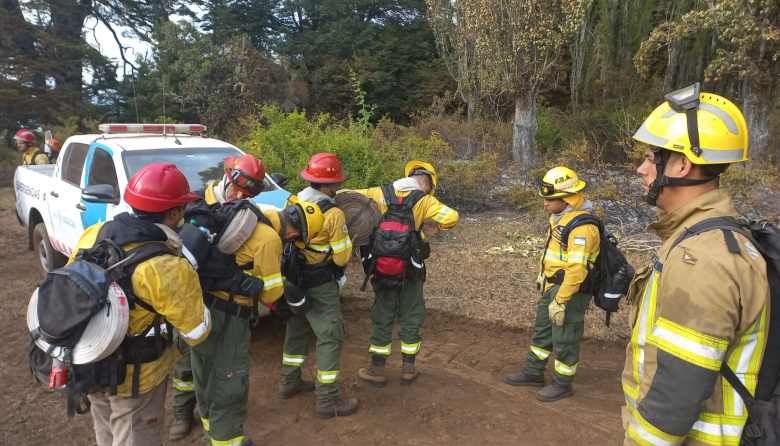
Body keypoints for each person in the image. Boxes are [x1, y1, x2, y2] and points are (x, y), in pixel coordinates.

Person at [622, 84, 770, 445]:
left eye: (648, 158)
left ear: (683, 164)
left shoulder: (701, 259)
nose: (641, 170)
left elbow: (676, 393)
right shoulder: (707, 238)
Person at [70, 162, 212, 446]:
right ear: (174, 212)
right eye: (181, 208)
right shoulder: (167, 266)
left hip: (90, 358)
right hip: (135, 376)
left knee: (107, 431)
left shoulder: (96, 233)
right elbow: (197, 332)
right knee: (134, 435)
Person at [190, 154, 325, 446]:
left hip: (200, 308)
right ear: (295, 231)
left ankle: (210, 432)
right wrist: (287, 290)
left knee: (204, 371)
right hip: (229, 316)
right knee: (230, 376)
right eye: (294, 239)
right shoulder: (269, 238)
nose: (291, 243)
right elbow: (271, 294)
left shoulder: (242, 213)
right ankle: (228, 440)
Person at [169, 153, 267, 441]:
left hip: (218, 303)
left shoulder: (246, 212)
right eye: (237, 189)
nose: (239, 196)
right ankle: (182, 411)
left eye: (247, 194)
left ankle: (214, 428)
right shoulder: (192, 205)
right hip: (187, 298)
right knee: (187, 361)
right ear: (226, 177)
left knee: (209, 365)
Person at [354, 161, 459, 387]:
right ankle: (408, 370)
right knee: (411, 316)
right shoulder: (425, 200)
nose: (428, 190)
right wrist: (433, 225)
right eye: (429, 186)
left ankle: (377, 370)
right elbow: (452, 217)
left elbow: (347, 199)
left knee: (382, 318)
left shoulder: (378, 192)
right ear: (423, 181)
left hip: (381, 268)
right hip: (411, 269)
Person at [504, 166, 600, 402]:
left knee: (565, 337)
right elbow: (554, 252)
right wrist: (543, 274)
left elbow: (577, 270)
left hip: (569, 291)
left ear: (567, 198)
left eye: (550, 199)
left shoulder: (583, 227)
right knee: (543, 330)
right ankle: (533, 372)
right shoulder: (561, 218)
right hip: (551, 285)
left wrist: (561, 299)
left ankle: (562, 383)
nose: (545, 203)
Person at [279, 153, 358, 419]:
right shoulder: (333, 214)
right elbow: (342, 257)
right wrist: (349, 241)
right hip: (321, 283)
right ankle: (328, 400)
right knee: (330, 336)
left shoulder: (295, 201)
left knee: (297, 328)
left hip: (295, 281)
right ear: (326, 186)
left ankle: (289, 382)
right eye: (335, 183)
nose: (337, 187)